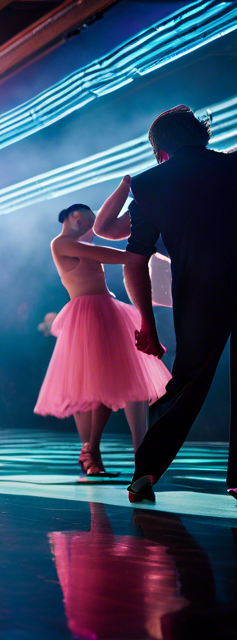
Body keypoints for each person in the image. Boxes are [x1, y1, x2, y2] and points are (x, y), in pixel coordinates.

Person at [117, 106, 237, 503]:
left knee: (187, 381)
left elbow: (135, 260)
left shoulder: (150, 185)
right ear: (201, 136)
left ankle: (146, 471)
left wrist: (147, 324)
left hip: (202, 293)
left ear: (160, 150)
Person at [36, 199, 169, 477]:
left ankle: (100, 452)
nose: (93, 226)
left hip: (106, 311)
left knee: (112, 385)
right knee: (98, 387)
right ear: (74, 217)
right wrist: (134, 255)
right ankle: (92, 451)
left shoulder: (78, 245)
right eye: (89, 219)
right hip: (88, 315)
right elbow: (99, 253)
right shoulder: (60, 243)